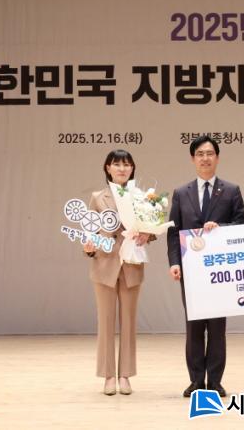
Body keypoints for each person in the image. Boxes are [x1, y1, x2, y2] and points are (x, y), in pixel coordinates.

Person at [167, 135, 244, 398]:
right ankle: (195, 380)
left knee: (217, 328)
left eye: (210, 153)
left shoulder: (231, 190)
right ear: (193, 159)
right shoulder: (181, 193)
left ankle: (215, 381)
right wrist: (174, 262)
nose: (205, 158)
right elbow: (173, 232)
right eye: (200, 154)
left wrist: (220, 227)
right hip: (191, 271)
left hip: (220, 271)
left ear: (217, 157)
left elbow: (241, 226)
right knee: (194, 328)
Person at [83, 149, 154, 396]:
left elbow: (150, 228)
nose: (122, 169)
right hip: (105, 264)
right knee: (105, 322)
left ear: (132, 168)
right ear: (108, 168)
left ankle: (125, 375)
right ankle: (108, 376)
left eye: (126, 164)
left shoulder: (141, 197)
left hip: (131, 264)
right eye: (117, 164)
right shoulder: (97, 197)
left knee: (129, 322)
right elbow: (89, 231)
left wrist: (148, 234)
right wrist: (88, 248)